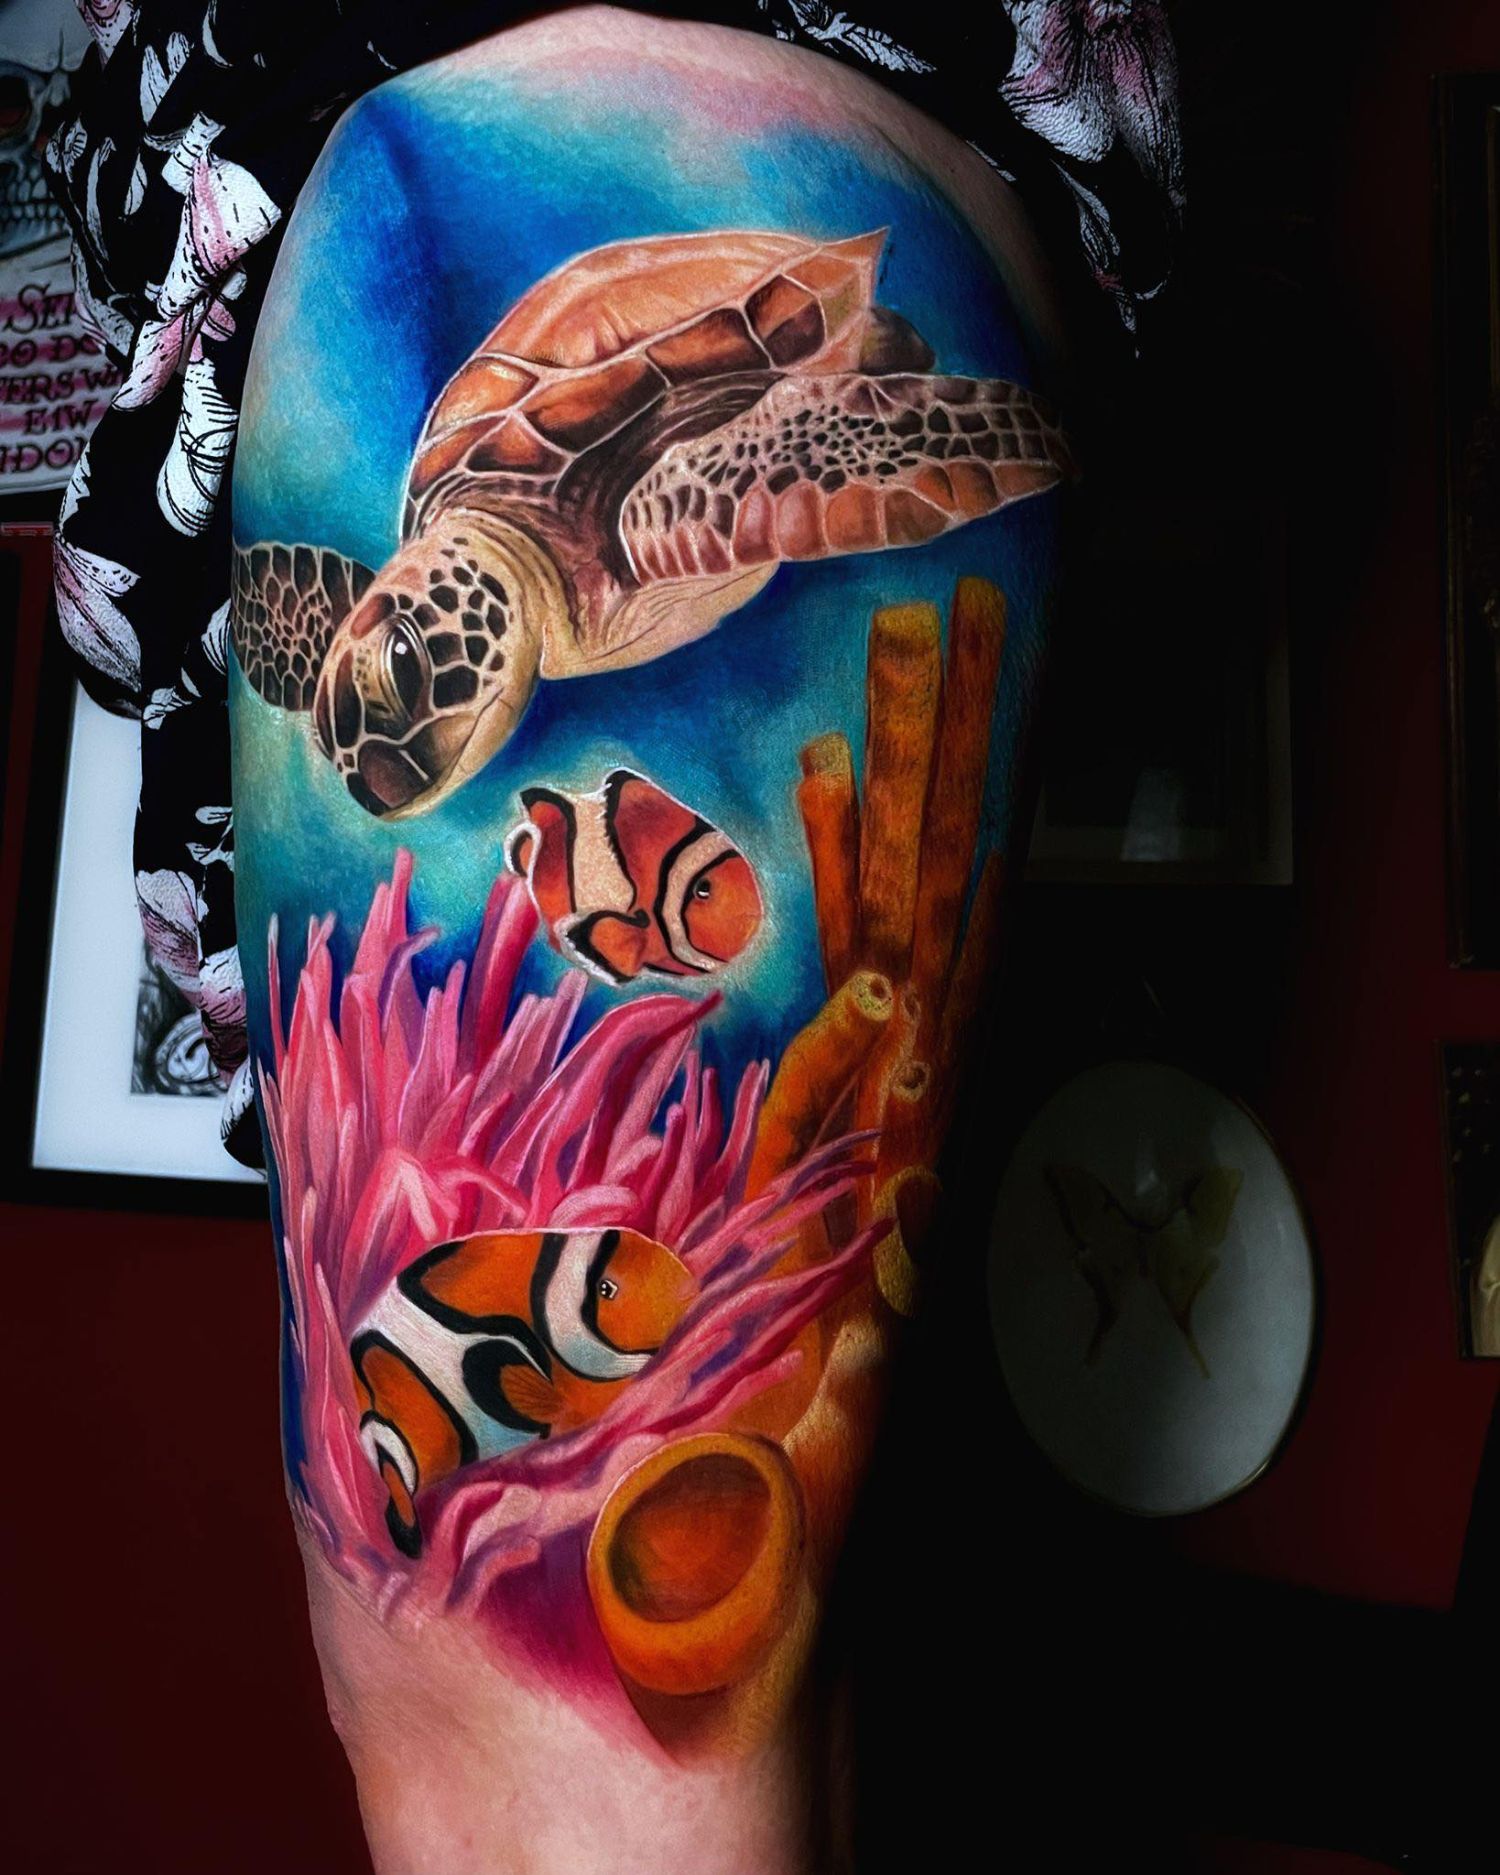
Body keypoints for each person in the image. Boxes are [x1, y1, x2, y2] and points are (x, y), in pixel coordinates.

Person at [48, 5, 1181, 1868]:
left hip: (593, 79)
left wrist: (934, 439)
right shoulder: (402, 593)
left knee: (527, 1691)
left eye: (412, 684)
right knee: (754, 1672)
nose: (407, 733)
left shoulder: (640, 511)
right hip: (480, 167)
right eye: (405, 690)